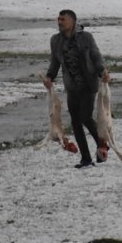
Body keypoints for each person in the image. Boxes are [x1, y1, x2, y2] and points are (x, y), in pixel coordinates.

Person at [43, 9, 110, 169]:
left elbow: (96, 56)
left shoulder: (86, 37)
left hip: (88, 83)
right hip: (71, 86)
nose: (59, 22)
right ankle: (85, 158)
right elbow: (55, 62)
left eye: (63, 19)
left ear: (72, 21)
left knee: (85, 117)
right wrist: (49, 77)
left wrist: (103, 72)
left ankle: (103, 144)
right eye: (58, 19)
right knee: (75, 122)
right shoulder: (56, 40)